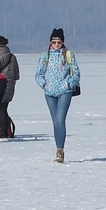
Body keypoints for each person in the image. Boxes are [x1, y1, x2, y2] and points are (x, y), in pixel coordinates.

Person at [34, 28, 80, 162]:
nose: (56, 45)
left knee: (60, 120)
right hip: (49, 93)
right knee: (55, 122)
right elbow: (38, 74)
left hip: (64, 91)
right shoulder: (45, 56)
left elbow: (76, 74)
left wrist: (69, 84)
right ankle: (57, 148)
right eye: (53, 42)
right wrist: (44, 84)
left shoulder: (68, 55)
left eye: (58, 42)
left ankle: (60, 151)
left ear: (63, 43)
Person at [0, 36, 19, 138]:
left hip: (1, 85)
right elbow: (17, 75)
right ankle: (7, 131)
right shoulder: (12, 56)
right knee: (4, 109)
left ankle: (2, 132)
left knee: (0, 110)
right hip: (11, 86)